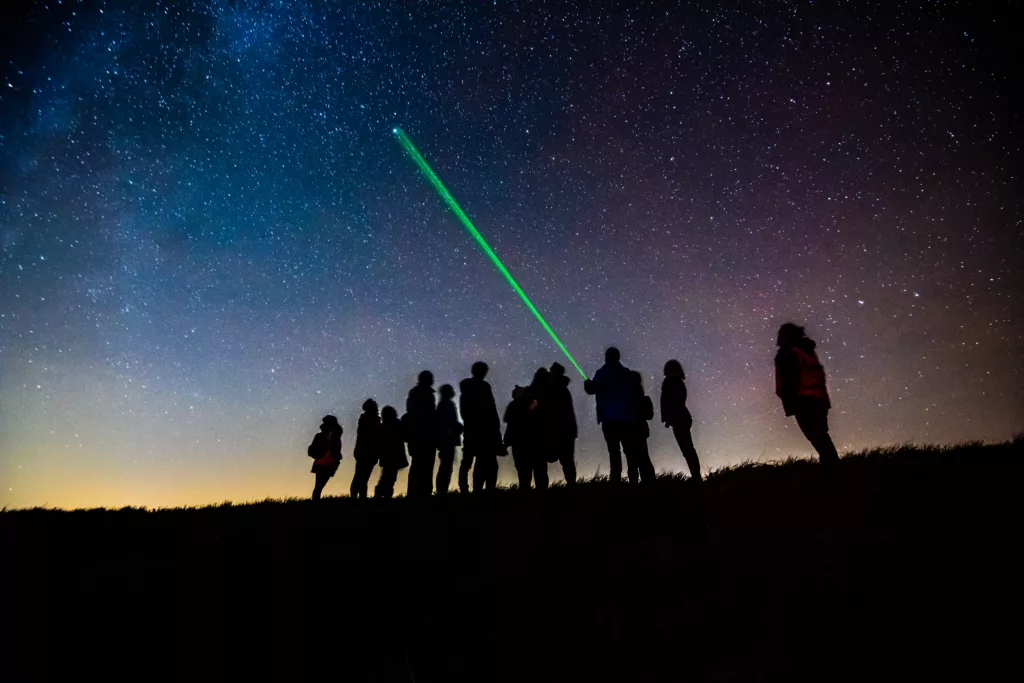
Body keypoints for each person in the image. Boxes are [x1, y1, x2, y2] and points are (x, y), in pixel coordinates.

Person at [775, 323, 840, 465]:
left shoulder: (788, 352)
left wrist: (791, 400)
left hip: (804, 399)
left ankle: (833, 468)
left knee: (816, 435)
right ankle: (831, 465)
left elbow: (790, 379)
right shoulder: (807, 351)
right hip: (819, 397)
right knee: (820, 435)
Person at [583, 347, 637, 483]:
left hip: (609, 418)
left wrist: (587, 383)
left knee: (614, 452)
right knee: (629, 452)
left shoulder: (602, 373)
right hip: (626, 418)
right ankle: (634, 481)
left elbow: (592, 389)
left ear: (607, 357)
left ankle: (615, 482)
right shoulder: (626, 373)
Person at [458, 361, 504, 493]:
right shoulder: (483, 387)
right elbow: (491, 409)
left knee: (472, 462)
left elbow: (465, 412)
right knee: (483, 462)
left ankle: (467, 489)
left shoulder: (468, 389)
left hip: (473, 430)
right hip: (484, 431)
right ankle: (482, 489)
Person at [660, 359, 702, 482]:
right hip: (682, 416)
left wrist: (668, 418)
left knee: (687, 449)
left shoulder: (669, 382)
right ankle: (696, 475)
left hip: (678, 418)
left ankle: (696, 477)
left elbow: (668, 401)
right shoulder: (678, 382)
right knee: (689, 449)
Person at [405, 370, 438, 497]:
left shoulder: (416, 394)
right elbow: (424, 415)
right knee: (423, 467)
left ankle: (416, 493)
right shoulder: (423, 394)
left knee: (418, 467)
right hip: (424, 436)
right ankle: (421, 494)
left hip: (419, 436)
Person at [547, 362, 578, 486]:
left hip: (556, 430)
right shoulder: (563, 389)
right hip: (568, 430)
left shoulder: (553, 389)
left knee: (563, 460)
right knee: (567, 460)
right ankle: (572, 485)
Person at [629, 371, 658, 484]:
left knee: (633, 459)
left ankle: (635, 484)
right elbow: (649, 416)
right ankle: (649, 483)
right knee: (644, 458)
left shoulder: (629, 400)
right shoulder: (644, 399)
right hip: (641, 430)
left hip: (631, 430)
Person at [435, 384, 463, 495]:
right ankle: (442, 491)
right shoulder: (446, 405)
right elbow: (447, 423)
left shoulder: (443, 405)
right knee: (446, 468)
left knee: (445, 467)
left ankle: (442, 491)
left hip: (445, 440)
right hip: (448, 440)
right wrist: (457, 428)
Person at [375, 406, 408, 499]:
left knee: (386, 477)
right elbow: (404, 436)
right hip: (396, 455)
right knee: (390, 478)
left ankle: (381, 494)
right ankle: (385, 495)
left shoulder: (383, 426)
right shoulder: (397, 424)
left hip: (387, 456)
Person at [350, 399, 380, 499]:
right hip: (369, 452)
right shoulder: (373, 420)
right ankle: (359, 498)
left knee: (359, 476)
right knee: (362, 477)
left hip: (362, 451)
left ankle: (356, 497)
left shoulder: (364, 419)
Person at [307, 415, 342, 500]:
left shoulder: (334, 436)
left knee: (318, 486)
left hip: (325, 463)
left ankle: (316, 503)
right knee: (319, 486)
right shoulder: (330, 436)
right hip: (323, 463)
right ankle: (316, 503)